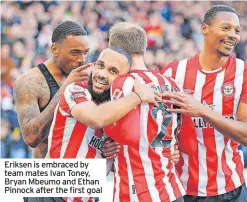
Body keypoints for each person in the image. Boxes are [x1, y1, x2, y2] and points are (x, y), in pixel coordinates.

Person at [161, 5, 247, 202]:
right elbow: (162, 130)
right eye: (226, 28)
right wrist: (167, 150)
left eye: (237, 30)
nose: (233, 35)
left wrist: (202, 111)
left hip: (232, 189)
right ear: (204, 29)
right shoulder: (173, 73)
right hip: (185, 189)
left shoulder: (246, 73)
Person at [44, 46, 160, 202]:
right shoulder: (76, 89)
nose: (101, 74)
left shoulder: (119, 107)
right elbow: (96, 118)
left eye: (113, 71)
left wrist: (105, 153)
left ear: (121, 80)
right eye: (100, 65)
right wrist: (138, 95)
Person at [103, 22, 188, 202]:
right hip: (172, 190)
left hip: (137, 191)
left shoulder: (123, 83)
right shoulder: (172, 84)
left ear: (116, 52)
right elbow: (177, 133)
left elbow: (113, 128)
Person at [14, 21, 90, 158]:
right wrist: (64, 88)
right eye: (75, 53)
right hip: (49, 173)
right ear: (55, 49)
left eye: (86, 53)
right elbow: (31, 137)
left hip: (80, 170)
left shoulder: (85, 77)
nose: (82, 60)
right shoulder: (29, 82)